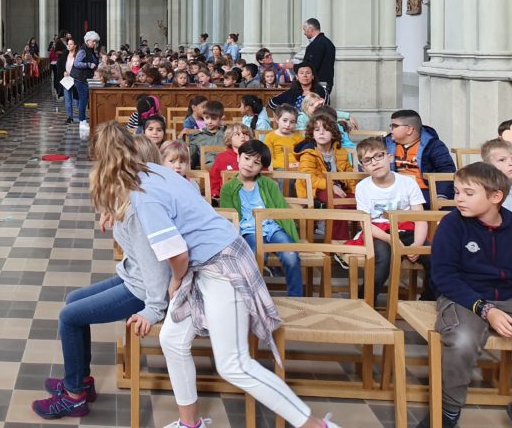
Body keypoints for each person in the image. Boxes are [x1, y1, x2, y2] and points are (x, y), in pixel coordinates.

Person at [92, 122, 342, 428]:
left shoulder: (145, 195)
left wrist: (175, 280)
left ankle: (317, 426)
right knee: (171, 339)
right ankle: (190, 424)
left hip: (222, 264)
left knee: (233, 363)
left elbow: (178, 254)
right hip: (204, 264)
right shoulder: (155, 174)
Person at [31, 126, 170, 420]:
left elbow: (155, 267)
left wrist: (154, 309)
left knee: (68, 317)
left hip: (142, 290)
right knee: (73, 301)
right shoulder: (132, 194)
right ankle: (81, 381)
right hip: (133, 276)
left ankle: (74, 397)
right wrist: (112, 210)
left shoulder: (139, 207)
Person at [418, 162, 512, 428]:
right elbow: (444, 276)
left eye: (468, 192)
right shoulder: (452, 225)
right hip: (464, 297)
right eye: (456, 192)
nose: (459, 199)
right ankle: (447, 410)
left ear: (495, 196)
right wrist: (486, 309)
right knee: (462, 340)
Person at [219, 139, 303, 297]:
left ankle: (296, 297)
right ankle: (255, 298)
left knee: (291, 256)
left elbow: (282, 210)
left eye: (256, 162)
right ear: (238, 157)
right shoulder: (228, 189)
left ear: (261, 168)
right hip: (249, 231)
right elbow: (229, 218)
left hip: (273, 228)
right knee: (256, 257)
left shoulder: (269, 184)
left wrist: (293, 237)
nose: (250, 164)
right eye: (246, 158)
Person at [353, 137, 430, 305]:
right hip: (379, 234)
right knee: (383, 259)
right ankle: (364, 301)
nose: (374, 162)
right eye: (368, 160)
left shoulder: (408, 182)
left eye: (378, 156)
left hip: (405, 229)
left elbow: (420, 217)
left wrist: (417, 244)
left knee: (435, 257)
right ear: (363, 167)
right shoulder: (363, 187)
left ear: (389, 157)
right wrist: (391, 240)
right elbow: (364, 223)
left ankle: (427, 301)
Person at [296, 114, 354, 240]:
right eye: (317, 130)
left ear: (333, 133)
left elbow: (349, 176)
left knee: (364, 202)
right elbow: (309, 178)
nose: (321, 132)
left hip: (339, 190)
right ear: (312, 134)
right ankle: (339, 243)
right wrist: (331, 186)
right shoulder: (308, 153)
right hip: (316, 190)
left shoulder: (341, 152)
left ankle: (364, 241)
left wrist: (356, 192)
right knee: (337, 204)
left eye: (326, 129)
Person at [384, 109, 456, 204]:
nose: (390, 129)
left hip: (425, 192)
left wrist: (441, 195)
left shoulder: (433, 146)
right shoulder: (385, 144)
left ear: (409, 129)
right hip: (395, 191)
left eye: (394, 126)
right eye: (391, 126)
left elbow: (447, 170)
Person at [210, 125, 256, 198]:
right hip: (228, 196)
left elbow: (264, 176)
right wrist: (215, 194)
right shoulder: (222, 158)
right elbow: (214, 179)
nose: (242, 136)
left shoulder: (257, 156)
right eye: (238, 134)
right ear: (229, 139)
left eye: (245, 134)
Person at [71, 31, 101, 131]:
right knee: (83, 99)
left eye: (96, 42)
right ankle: (82, 121)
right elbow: (76, 63)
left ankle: (83, 120)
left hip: (86, 78)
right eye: (93, 41)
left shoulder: (91, 50)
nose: (95, 43)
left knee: (84, 99)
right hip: (80, 79)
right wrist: (88, 65)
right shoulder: (83, 51)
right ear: (87, 41)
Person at [184, 100, 225, 171]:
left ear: (220, 119)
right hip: (206, 170)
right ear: (203, 117)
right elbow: (191, 159)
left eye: (214, 119)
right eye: (207, 118)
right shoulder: (198, 136)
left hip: (226, 168)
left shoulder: (228, 133)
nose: (209, 121)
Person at [300, 19, 336, 97]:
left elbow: (311, 66)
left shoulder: (317, 44)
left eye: (305, 30)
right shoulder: (328, 42)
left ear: (311, 29)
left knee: (315, 106)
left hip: (318, 83)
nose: (304, 33)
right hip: (326, 82)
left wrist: (294, 66)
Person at [263, 105, 304, 172]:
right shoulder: (269, 137)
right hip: (279, 169)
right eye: (285, 120)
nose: (288, 124)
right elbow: (269, 160)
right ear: (277, 119)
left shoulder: (298, 136)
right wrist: (287, 165)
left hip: (298, 168)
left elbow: (304, 155)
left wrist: (300, 163)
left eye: (292, 122)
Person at [61, 37, 78, 124]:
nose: (69, 45)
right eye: (68, 44)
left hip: (76, 79)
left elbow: (79, 67)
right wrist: (64, 71)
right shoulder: (65, 54)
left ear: (75, 46)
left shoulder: (78, 55)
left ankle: (81, 116)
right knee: (67, 99)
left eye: (71, 44)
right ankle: (69, 117)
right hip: (67, 79)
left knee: (76, 100)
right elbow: (60, 65)